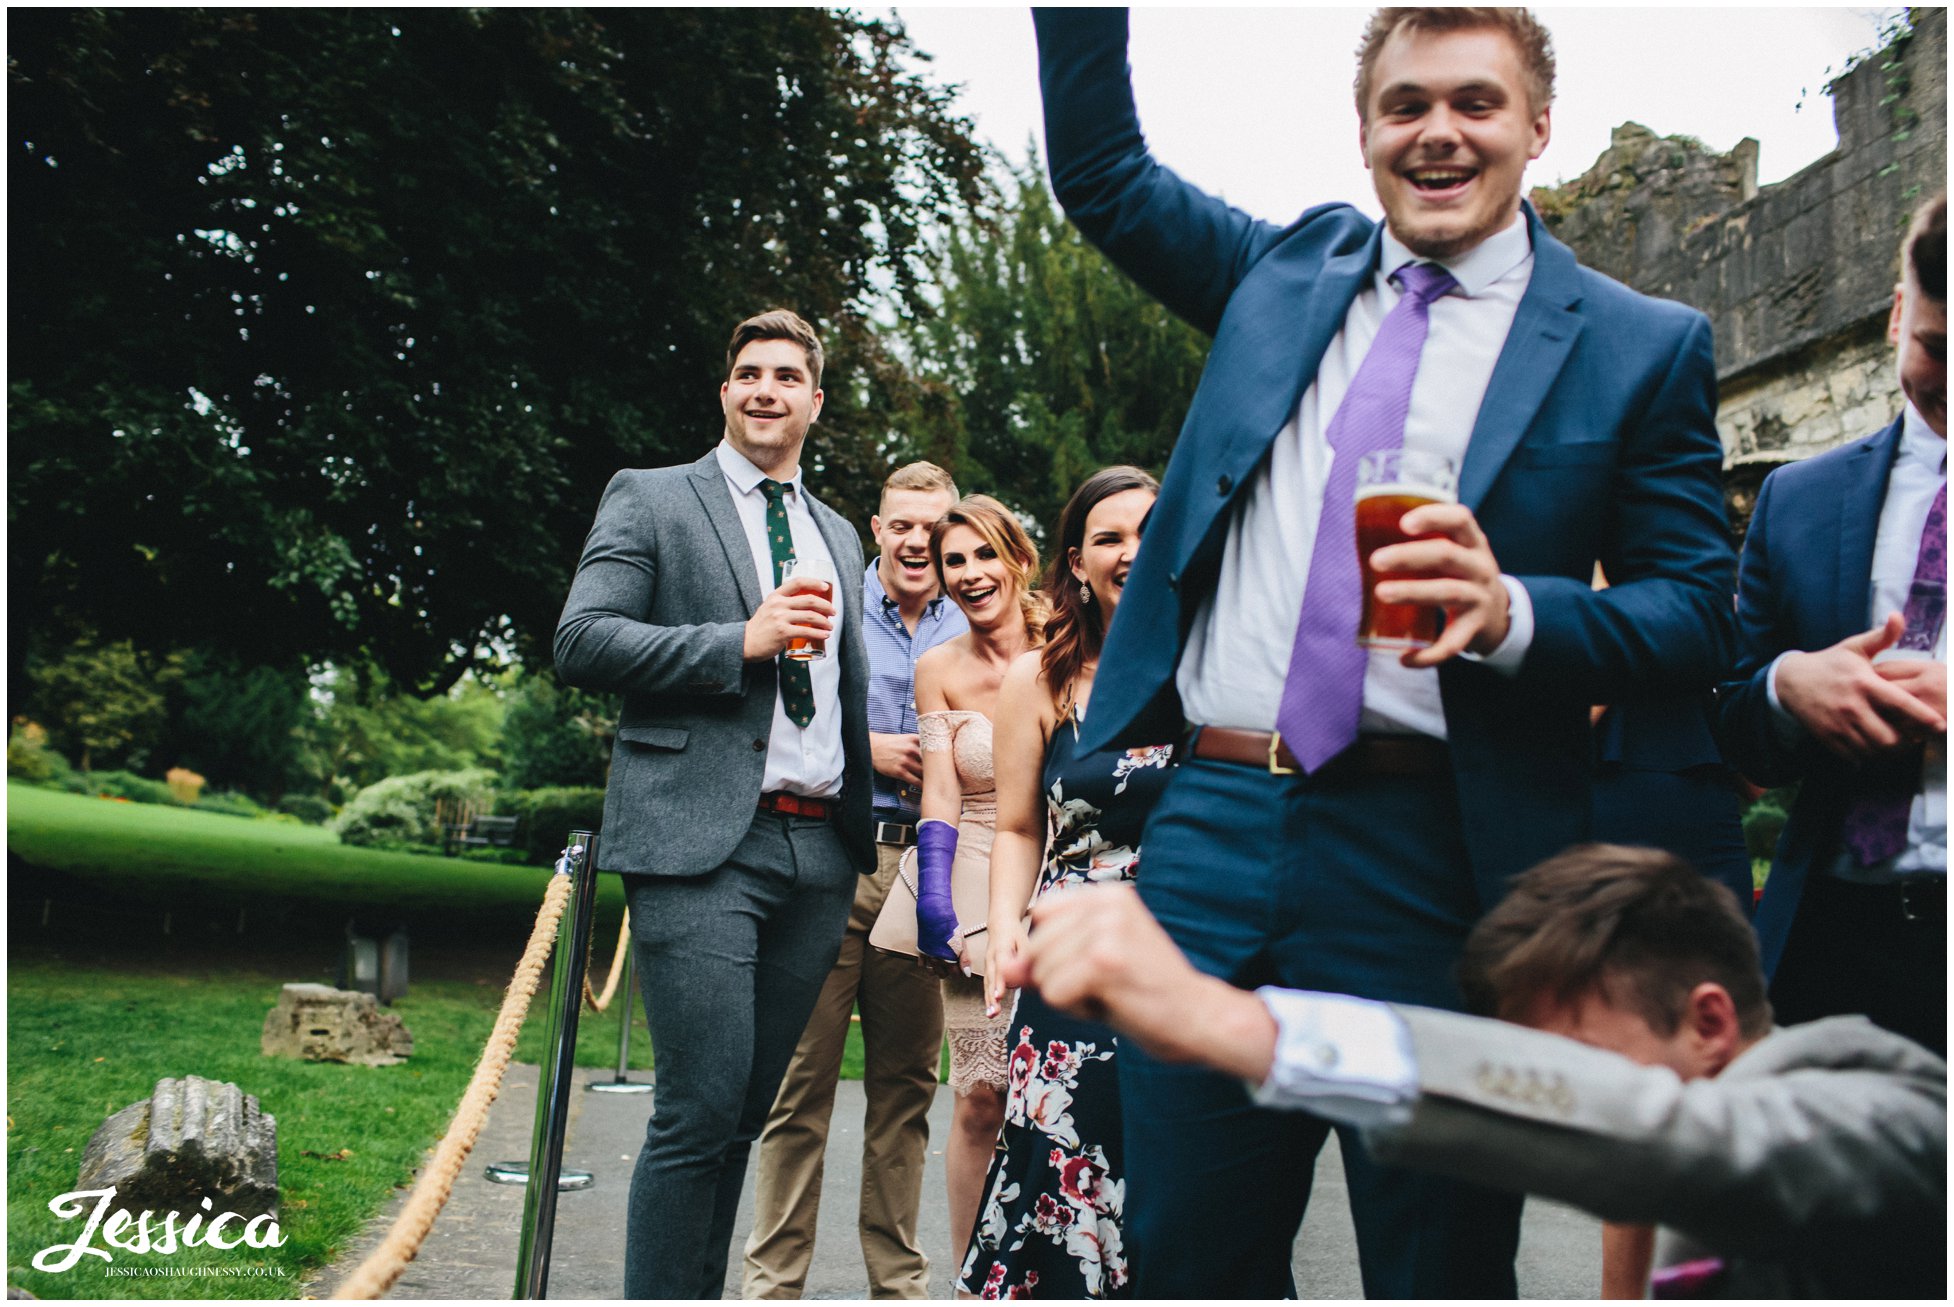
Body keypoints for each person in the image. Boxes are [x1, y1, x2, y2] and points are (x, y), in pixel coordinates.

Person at [1031, 8, 1737, 1296]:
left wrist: (1515, 609)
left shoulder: (1640, 345)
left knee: (1438, 1262)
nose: (1438, 132)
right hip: (1215, 831)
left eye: (1475, 101)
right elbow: (1101, 176)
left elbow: (1698, 609)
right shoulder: (1283, 273)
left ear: (1536, 126)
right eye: (1405, 104)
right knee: (1187, 1254)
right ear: (1364, 131)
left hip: (1439, 859)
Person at [1004, 844, 1946, 1301]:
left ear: (1709, 1017)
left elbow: (1685, 1143)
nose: (1548, 1086)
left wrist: (1236, 1024)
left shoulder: (1893, 1109)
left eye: (1568, 1056)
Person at [553, 308, 874, 1299]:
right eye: (747, 374)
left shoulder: (839, 535)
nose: (765, 389)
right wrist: (738, 638)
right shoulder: (650, 498)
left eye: (786, 375)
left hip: (819, 851)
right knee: (695, 1106)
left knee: (745, 1112)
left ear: (815, 401)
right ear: (725, 391)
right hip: (701, 844)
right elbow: (583, 640)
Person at [1716, 192, 1948, 1057]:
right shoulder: (1797, 500)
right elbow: (1732, 717)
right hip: (1831, 949)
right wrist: (1786, 687)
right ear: (1897, 316)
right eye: (1938, 349)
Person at [742, 462, 967, 1299]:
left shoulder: (973, 615)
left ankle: (896, 1284)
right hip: (835, 859)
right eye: (902, 524)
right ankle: (774, 1284)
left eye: (933, 527)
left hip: (927, 871)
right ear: (877, 529)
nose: (918, 541)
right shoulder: (829, 597)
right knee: (799, 1089)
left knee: (905, 1091)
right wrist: (867, 747)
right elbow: (776, 704)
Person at [956, 467, 1166, 1300]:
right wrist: (1004, 927)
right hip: (1070, 955)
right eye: (1109, 538)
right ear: (1077, 562)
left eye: (1150, 533)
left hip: (1188, 941)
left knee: (1183, 1167)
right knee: (1064, 1164)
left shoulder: (1213, 670)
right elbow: (1016, 828)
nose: (1131, 553)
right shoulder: (1038, 679)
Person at [911, 494, 1045, 1269]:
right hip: (971, 872)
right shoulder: (939, 668)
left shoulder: (1072, 640)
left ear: (1018, 557)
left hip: (1066, 872)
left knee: (1061, 1091)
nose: (969, 574)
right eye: (954, 561)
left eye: (984, 554)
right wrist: (934, 890)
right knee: (980, 1094)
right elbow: (941, 788)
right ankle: (971, 1277)